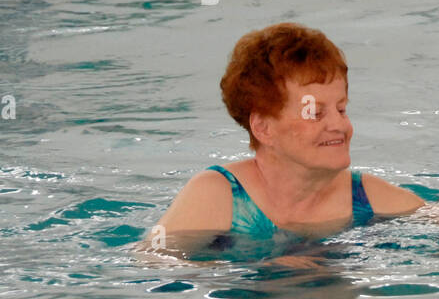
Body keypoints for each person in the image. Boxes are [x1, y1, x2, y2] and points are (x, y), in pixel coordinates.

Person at [151, 23, 421, 249]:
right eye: (315, 113)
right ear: (263, 128)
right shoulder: (219, 195)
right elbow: (155, 269)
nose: (339, 125)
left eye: (341, 108)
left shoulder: (365, 197)